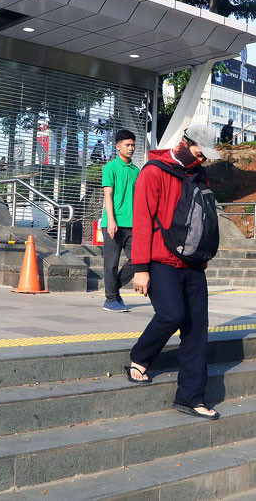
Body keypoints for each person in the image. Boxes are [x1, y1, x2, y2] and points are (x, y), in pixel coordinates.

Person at [125, 124, 221, 420]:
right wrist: (140, 268)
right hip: (159, 260)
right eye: (198, 151)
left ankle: (191, 397)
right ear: (184, 142)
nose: (202, 158)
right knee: (171, 314)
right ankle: (141, 356)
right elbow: (141, 221)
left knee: (196, 328)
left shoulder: (199, 173)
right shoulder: (153, 171)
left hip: (192, 261)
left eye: (206, 154)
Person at [101, 129, 139, 312]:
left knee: (138, 259)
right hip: (113, 224)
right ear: (117, 147)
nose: (131, 148)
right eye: (127, 145)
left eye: (133, 145)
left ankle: (113, 290)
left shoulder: (136, 170)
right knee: (111, 263)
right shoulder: (110, 168)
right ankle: (110, 300)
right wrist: (111, 220)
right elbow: (107, 195)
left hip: (133, 224)